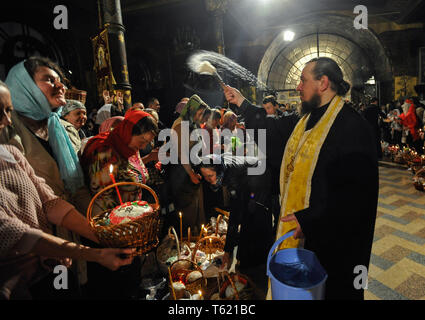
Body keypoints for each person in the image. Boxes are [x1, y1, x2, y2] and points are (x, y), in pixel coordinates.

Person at [224, 57, 379, 300]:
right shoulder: (304, 120)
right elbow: (270, 128)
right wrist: (241, 102)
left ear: (323, 83)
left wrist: (310, 220)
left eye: (303, 80)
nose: (298, 87)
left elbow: (356, 197)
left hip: (333, 243)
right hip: (304, 234)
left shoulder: (352, 128)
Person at [0, 81, 134, 300]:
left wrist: (105, 238)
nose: (6, 120)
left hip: (50, 265)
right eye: (0, 112)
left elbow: (51, 203)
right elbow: (14, 233)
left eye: (9, 111)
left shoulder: (10, 153)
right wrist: (96, 254)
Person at [0, 57, 92, 286]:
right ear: (24, 86)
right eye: (49, 80)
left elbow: (72, 186)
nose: (60, 86)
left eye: (60, 81)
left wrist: (100, 226)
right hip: (30, 251)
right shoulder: (7, 130)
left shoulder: (60, 127)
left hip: (70, 228)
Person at [80, 110, 158, 299]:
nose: (144, 146)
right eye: (142, 142)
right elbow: (103, 196)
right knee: (116, 287)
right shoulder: (105, 152)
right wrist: (126, 220)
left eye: (147, 143)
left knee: (132, 280)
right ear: (127, 132)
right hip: (112, 234)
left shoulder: (132, 150)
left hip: (131, 228)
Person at [194, 153, 272, 297]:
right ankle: (248, 261)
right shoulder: (222, 168)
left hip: (261, 182)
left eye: (211, 175)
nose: (208, 180)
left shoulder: (232, 175)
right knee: (245, 222)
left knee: (253, 223)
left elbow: (236, 214)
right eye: (205, 176)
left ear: (219, 170)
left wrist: (227, 251)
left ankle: (258, 272)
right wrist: (228, 250)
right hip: (251, 181)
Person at [168, 94, 208, 231]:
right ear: (191, 109)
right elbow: (181, 153)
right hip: (183, 174)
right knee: (187, 211)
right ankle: (186, 243)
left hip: (192, 172)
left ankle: (195, 241)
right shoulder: (180, 124)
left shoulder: (192, 124)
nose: (201, 115)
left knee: (196, 207)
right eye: (200, 112)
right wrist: (191, 173)